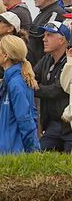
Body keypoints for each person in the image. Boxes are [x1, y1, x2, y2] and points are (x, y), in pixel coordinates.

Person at [0, 35, 40, 155]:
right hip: (6, 150)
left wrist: (33, 152)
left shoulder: (15, 83)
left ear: (6, 55)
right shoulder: (10, 80)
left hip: (13, 152)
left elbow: (25, 119)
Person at [34, 21, 71, 152]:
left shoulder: (70, 61)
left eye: (49, 35)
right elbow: (31, 76)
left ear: (61, 40)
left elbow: (57, 90)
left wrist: (34, 87)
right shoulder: (46, 59)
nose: (44, 39)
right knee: (38, 155)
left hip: (69, 124)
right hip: (53, 124)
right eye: (44, 35)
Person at [29, 0, 62, 64]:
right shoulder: (44, 12)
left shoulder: (55, 12)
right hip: (36, 60)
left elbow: (42, 33)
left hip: (41, 61)